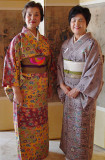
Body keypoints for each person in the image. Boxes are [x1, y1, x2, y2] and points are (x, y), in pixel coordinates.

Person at [2, 1, 51, 159]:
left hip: (41, 88)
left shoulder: (44, 41)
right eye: (29, 14)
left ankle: (40, 152)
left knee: (40, 121)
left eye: (37, 14)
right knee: (25, 123)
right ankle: (28, 154)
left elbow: (49, 65)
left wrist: (49, 86)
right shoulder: (18, 40)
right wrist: (16, 91)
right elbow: (11, 66)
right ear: (24, 17)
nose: (33, 18)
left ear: (41, 17)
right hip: (24, 88)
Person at [57, 5, 103, 160]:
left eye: (80, 20)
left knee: (82, 126)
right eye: (73, 20)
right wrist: (63, 86)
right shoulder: (65, 45)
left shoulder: (92, 44)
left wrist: (78, 89)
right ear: (70, 23)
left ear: (86, 23)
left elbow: (94, 72)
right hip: (68, 91)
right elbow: (59, 67)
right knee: (70, 126)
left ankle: (81, 156)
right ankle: (70, 154)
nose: (76, 23)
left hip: (82, 94)